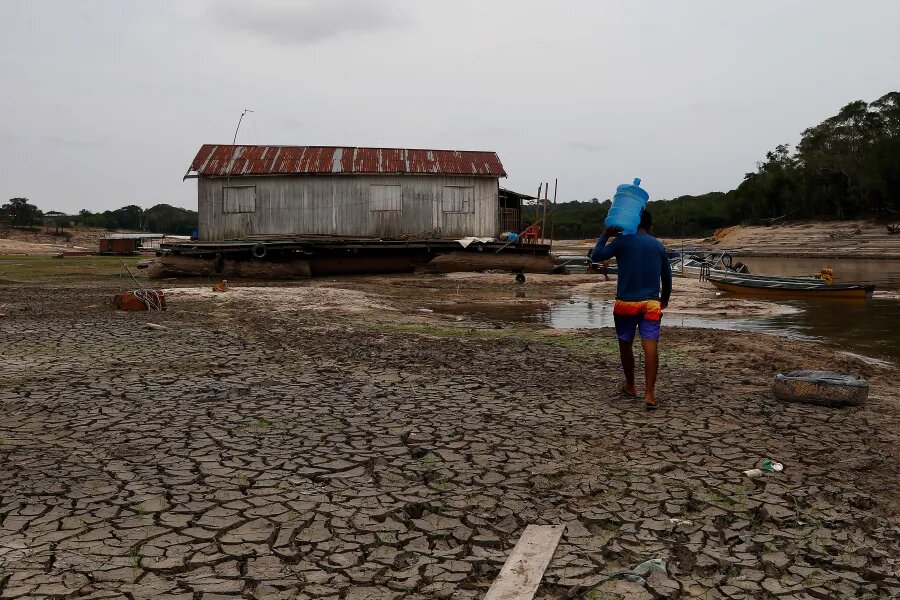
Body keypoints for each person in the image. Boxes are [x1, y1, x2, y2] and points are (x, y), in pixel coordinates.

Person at [590, 210, 672, 410]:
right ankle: (650, 395)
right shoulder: (658, 245)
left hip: (625, 303)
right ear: (650, 227)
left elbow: (596, 256)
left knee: (625, 345)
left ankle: (631, 386)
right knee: (650, 346)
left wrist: (605, 234)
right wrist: (664, 299)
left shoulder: (621, 242)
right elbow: (667, 276)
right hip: (651, 304)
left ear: (632, 222)